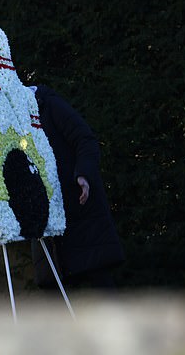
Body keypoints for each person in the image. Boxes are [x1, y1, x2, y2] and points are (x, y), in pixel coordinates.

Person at [30, 85, 124, 290]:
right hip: (47, 217)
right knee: (54, 287)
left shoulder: (49, 104)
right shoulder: (8, 120)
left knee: (98, 279)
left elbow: (84, 139)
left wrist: (83, 174)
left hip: (79, 206)